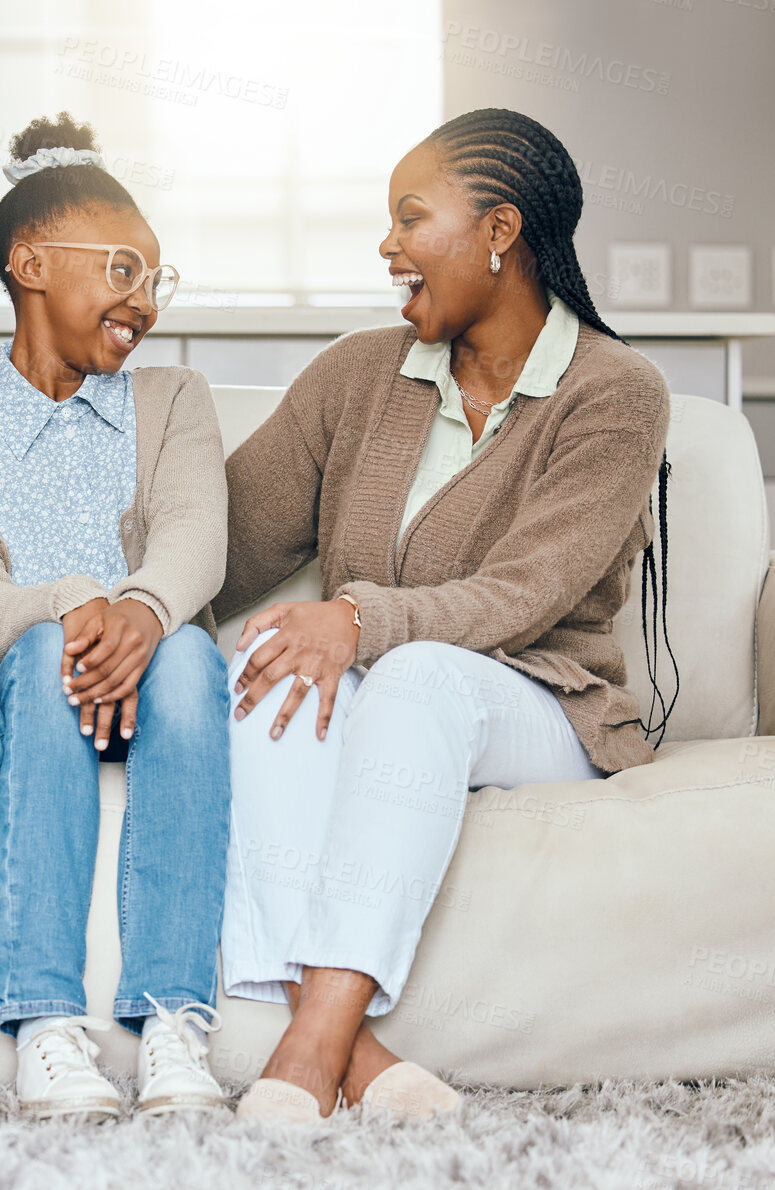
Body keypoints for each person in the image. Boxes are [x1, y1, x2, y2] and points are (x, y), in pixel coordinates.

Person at [216, 108, 672, 1123]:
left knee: (411, 675)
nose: (385, 245)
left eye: (408, 217)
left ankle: (306, 1049)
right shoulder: (358, 375)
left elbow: (525, 592)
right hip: (391, 700)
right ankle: (360, 1061)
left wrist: (355, 617)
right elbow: (225, 539)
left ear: (498, 231)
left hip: (543, 702)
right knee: (268, 664)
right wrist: (103, 596)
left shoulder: (612, 392)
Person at [0, 115, 231, 1122]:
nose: (142, 300)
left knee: (183, 655)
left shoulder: (171, 398)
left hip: (160, 677)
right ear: (29, 261)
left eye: (155, 279)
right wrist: (74, 602)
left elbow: (192, 538)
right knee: (47, 643)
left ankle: (175, 1019)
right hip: (39, 689)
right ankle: (47, 1022)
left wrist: (137, 606)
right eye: (124, 269)